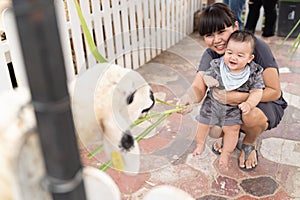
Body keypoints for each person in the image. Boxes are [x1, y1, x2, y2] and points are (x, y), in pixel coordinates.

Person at [178, 3, 287, 171]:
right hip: (230, 105)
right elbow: (198, 87)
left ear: (235, 26)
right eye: (209, 35)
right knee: (213, 116)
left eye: (221, 32)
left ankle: (249, 141)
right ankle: (227, 134)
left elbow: (274, 91)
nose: (217, 40)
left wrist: (239, 98)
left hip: (263, 101)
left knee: (248, 115)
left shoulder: (257, 48)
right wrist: (188, 99)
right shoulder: (211, 54)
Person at [192, 30, 264, 169]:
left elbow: (257, 91)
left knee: (233, 129)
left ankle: (226, 153)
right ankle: (200, 144)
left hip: (232, 109)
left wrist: (249, 103)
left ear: (250, 58)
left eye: (240, 55)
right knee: (203, 124)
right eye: (229, 53)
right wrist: (209, 80)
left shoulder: (253, 73)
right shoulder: (218, 65)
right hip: (212, 104)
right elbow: (206, 76)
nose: (233, 58)